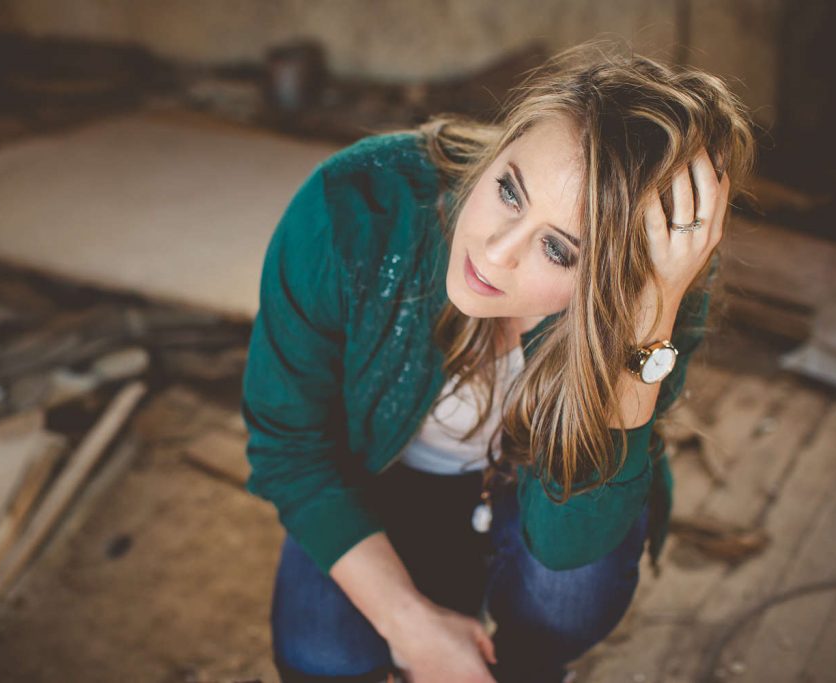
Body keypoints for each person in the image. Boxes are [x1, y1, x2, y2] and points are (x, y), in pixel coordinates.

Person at [241, 41, 756, 683]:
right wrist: (411, 625)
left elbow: (572, 547)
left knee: (572, 594)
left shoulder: (659, 299)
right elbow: (289, 450)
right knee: (322, 657)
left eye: (560, 250)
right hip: (377, 478)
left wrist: (644, 321)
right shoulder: (357, 207)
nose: (496, 251)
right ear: (503, 141)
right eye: (511, 190)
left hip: (527, 499)